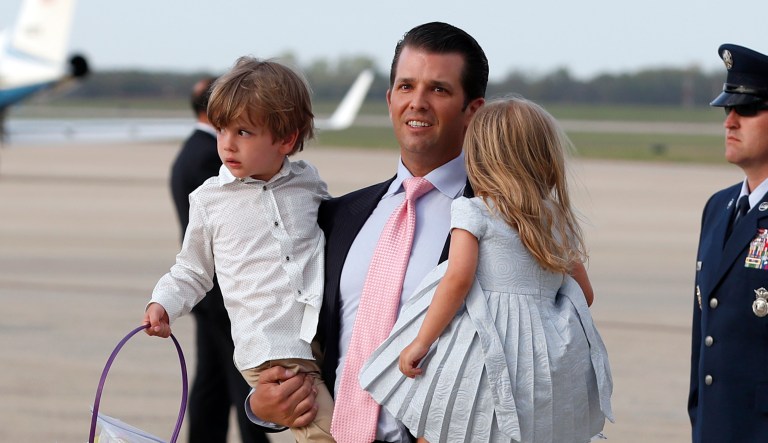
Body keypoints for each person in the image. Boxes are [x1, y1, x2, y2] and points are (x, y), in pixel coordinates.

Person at [247, 22, 488, 442]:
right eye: (406, 86)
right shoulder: (338, 216)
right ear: (390, 98)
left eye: (439, 90)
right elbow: (295, 338)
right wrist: (262, 407)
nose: (418, 103)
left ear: (474, 110)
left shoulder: (498, 219)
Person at [359, 97, 614, 442]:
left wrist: (422, 341)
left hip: (481, 356)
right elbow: (584, 295)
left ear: (480, 157)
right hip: (539, 364)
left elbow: (458, 280)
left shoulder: (474, 211)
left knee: (446, 426)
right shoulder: (555, 218)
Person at [143, 57, 334, 443]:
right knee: (330, 433)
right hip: (275, 347)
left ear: (286, 139)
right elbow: (191, 271)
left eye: (244, 132)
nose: (227, 143)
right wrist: (163, 303)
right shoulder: (210, 200)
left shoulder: (307, 182)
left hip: (322, 333)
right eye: (221, 130)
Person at [169, 77, 269, 443]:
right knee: (242, 380)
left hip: (210, 295)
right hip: (221, 293)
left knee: (212, 382)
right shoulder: (210, 160)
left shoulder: (191, 151)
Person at [689, 43, 768, 442]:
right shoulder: (718, 208)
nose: (730, 122)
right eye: (727, 109)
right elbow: (705, 332)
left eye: (748, 109)